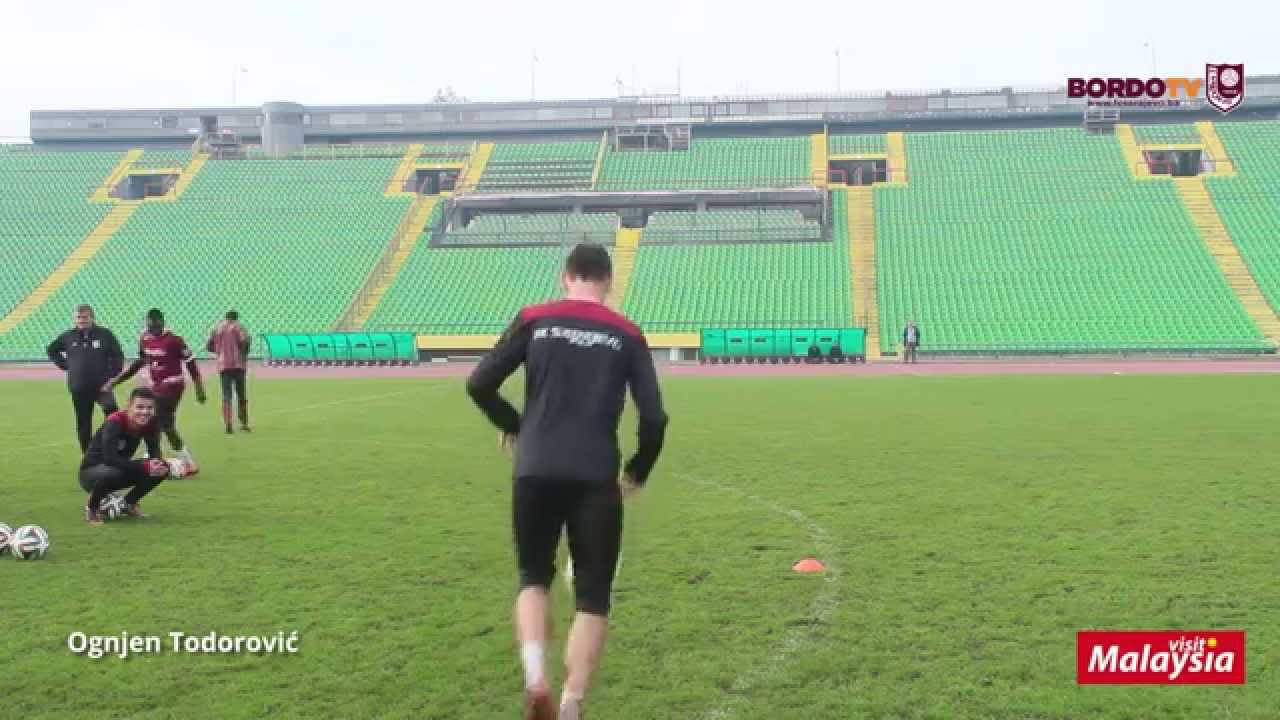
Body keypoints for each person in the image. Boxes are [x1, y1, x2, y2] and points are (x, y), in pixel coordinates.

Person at [466, 243, 669, 720]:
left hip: (535, 467)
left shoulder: (535, 317)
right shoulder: (626, 333)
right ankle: (572, 703)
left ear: (566, 276)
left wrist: (514, 423)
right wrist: (637, 470)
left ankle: (536, 675)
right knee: (593, 598)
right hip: (595, 475)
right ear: (609, 281)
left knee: (533, 578)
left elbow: (478, 383)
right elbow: (655, 417)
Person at [112, 308, 206, 475]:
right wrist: (118, 380)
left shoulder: (175, 341)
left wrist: (199, 387)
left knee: (150, 417)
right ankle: (183, 461)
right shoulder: (144, 339)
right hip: (156, 386)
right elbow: (140, 362)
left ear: (162, 323)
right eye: (150, 325)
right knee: (163, 424)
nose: (153, 329)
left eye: (156, 325)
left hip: (173, 385)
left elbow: (190, 363)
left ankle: (151, 458)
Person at [80, 387, 171, 524]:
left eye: (149, 408)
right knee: (113, 471)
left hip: (119, 469)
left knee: (162, 468)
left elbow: (154, 451)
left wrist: (159, 463)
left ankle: (128, 504)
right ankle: (92, 508)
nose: (145, 412)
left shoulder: (151, 423)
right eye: (139, 407)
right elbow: (109, 458)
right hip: (92, 473)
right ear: (129, 406)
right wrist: (144, 465)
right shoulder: (115, 422)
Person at [46, 304, 125, 453]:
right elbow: (51, 349)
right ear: (74, 319)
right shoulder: (68, 336)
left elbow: (118, 356)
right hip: (79, 387)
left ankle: (114, 446)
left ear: (92, 318)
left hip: (102, 386)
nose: (81, 320)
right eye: (78, 317)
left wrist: (112, 376)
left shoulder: (105, 334)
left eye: (84, 317)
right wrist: (64, 365)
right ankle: (88, 454)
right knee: (83, 422)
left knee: (113, 415)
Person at [207, 310, 252, 434]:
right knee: (241, 394)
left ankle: (228, 424)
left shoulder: (217, 328)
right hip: (238, 365)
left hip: (223, 365)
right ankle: (244, 422)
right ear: (236, 318)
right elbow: (245, 341)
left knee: (227, 395)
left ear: (225, 317)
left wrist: (219, 351)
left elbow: (209, 346)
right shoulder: (239, 327)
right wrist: (243, 355)